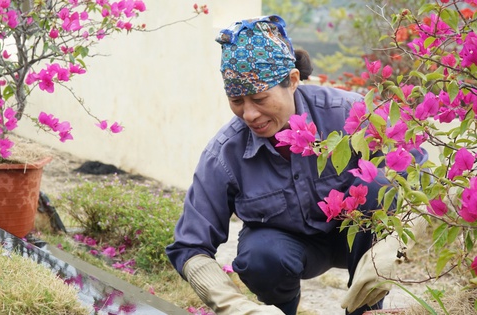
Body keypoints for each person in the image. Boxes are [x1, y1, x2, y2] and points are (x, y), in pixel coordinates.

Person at [165, 15, 428, 315]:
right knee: (259, 255)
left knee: (376, 186)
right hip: (288, 250)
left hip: (357, 239)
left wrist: (390, 245)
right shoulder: (225, 154)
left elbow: (415, 172)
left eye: (259, 98)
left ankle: (364, 307)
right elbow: (189, 246)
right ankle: (282, 308)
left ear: (291, 81)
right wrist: (233, 306)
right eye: (236, 100)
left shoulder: (348, 113)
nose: (249, 114)